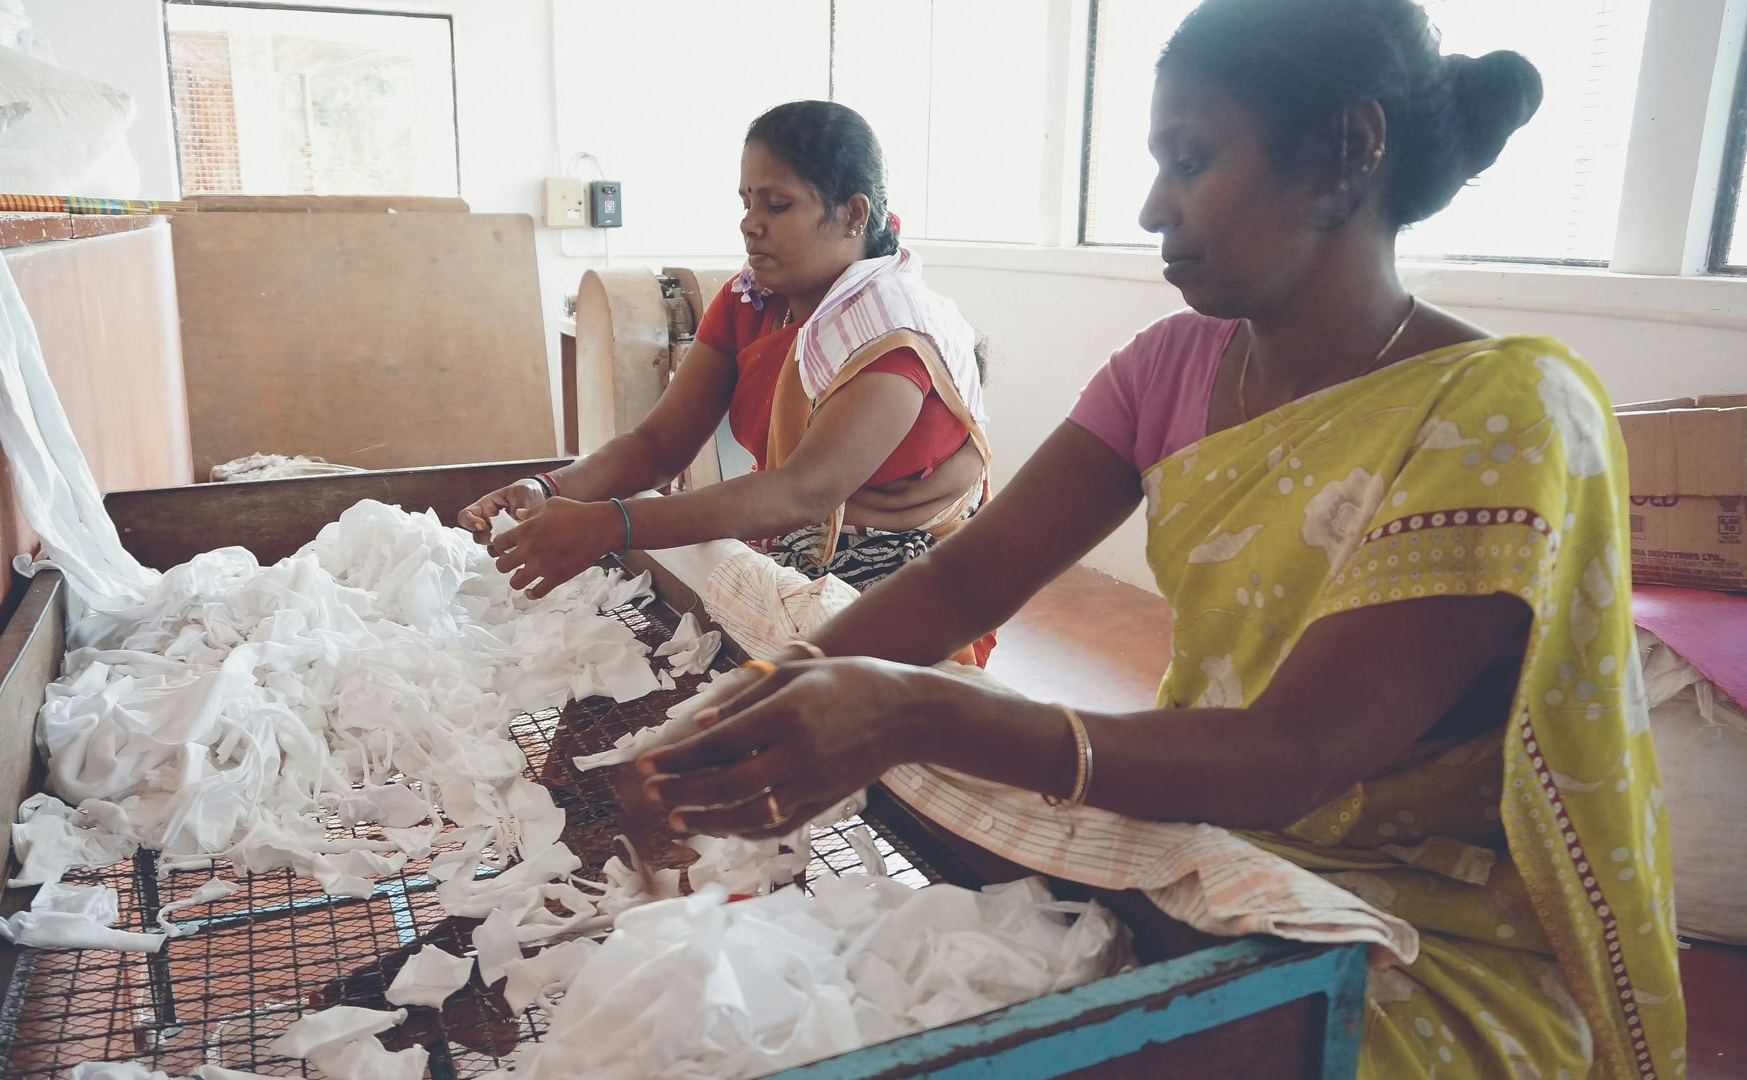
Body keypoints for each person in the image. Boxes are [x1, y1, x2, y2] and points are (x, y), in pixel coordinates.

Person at [632, 0, 1686, 1075]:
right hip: (1209, 850)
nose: (1149, 207)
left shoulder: (1502, 415)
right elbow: (962, 588)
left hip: (1406, 934)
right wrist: (762, 693)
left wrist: (912, 711)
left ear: (1349, 151)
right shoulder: (1173, 365)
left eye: (1190, 160)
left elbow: (1293, 755)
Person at [462, 101, 996, 662]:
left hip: (903, 591)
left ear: (853, 214)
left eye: (777, 204)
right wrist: (549, 490)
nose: (749, 223)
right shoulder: (753, 303)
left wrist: (607, 525)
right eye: (746, 202)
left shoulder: (891, 337)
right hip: (792, 548)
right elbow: (658, 445)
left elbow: (802, 492)